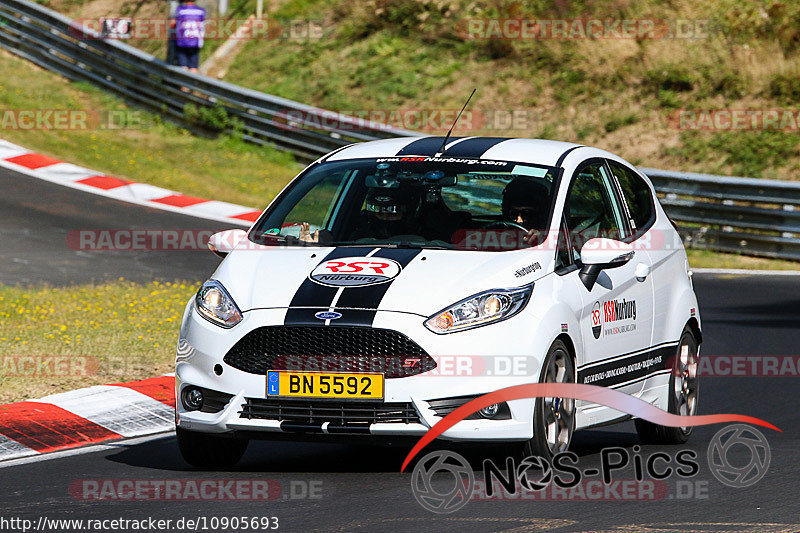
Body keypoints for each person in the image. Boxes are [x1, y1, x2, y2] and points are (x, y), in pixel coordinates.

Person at [501, 177, 551, 246]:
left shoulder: (549, 238)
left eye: (526, 214)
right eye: (513, 214)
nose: (519, 221)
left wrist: (541, 242)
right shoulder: (493, 234)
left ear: (540, 215)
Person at [172, 0, 206, 73]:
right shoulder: (201, 11)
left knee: (183, 67)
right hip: (195, 42)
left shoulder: (180, 10)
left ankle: (183, 83)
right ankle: (192, 83)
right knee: (194, 67)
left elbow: (172, 24)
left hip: (182, 42)